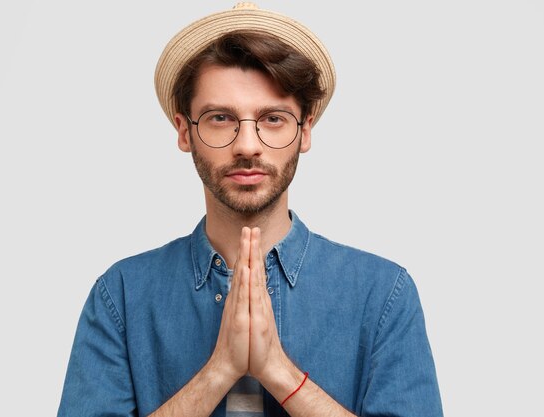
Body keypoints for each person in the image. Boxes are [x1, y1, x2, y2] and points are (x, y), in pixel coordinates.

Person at [57, 3, 443, 416]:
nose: (247, 145)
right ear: (185, 131)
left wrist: (277, 371)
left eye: (273, 119)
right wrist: (219, 370)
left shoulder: (384, 294)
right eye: (220, 117)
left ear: (305, 130)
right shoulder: (120, 296)